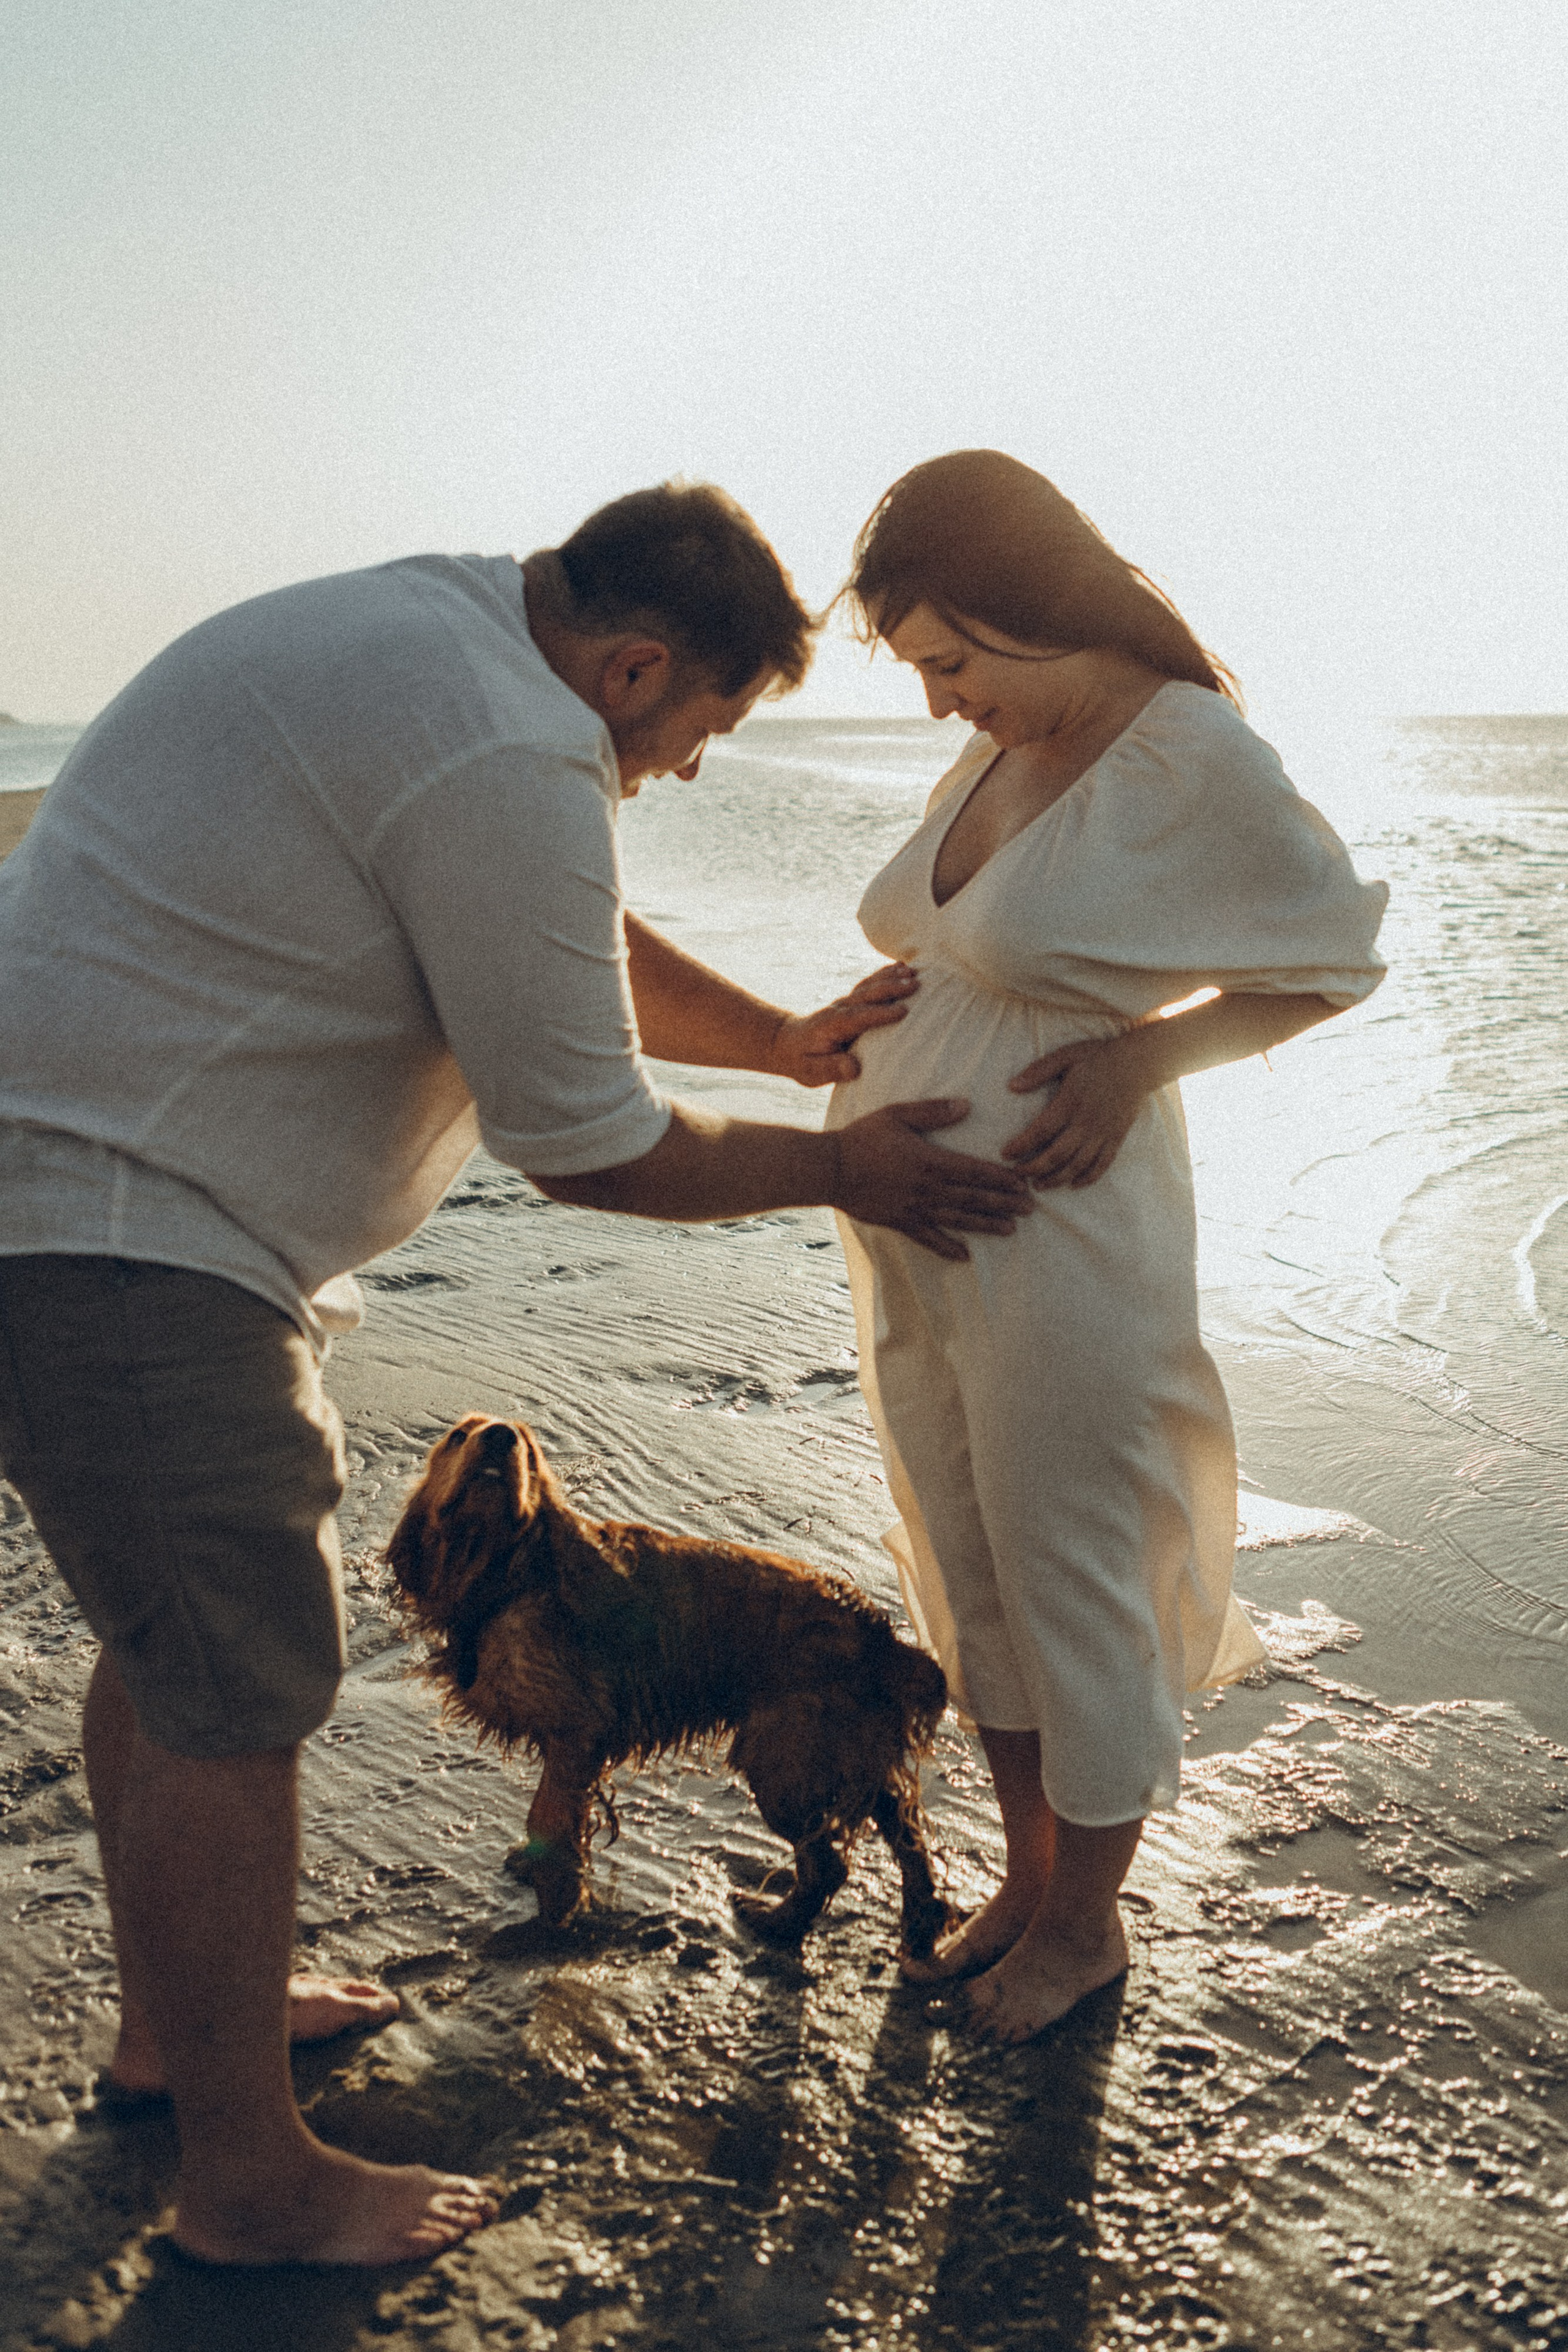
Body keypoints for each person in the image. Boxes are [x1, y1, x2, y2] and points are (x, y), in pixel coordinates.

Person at [0, 481, 1031, 2265]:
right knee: (239, 1690)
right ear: (635, 666)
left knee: (171, 1656)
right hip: (118, 1234)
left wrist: (785, 1046)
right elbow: (585, 1140)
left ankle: (183, 2032)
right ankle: (249, 2180)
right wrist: (842, 1165)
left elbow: (556, 941)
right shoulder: (501, 740)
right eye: (703, 729)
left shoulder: (421, 638)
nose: (691, 770)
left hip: (86, 1203)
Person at [823, 451, 1388, 2044]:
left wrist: (1146, 1058)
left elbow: (1335, 956)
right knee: (969, 1558)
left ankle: (1086, 1928)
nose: (937, 702)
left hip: (1059, 1230)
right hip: (914, 1229)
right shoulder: (1003, 752)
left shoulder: (1184, 745)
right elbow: (960, 956)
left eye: (950, 660)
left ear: (1032, 607)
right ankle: (1026, 1879)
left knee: (1070, 1565)